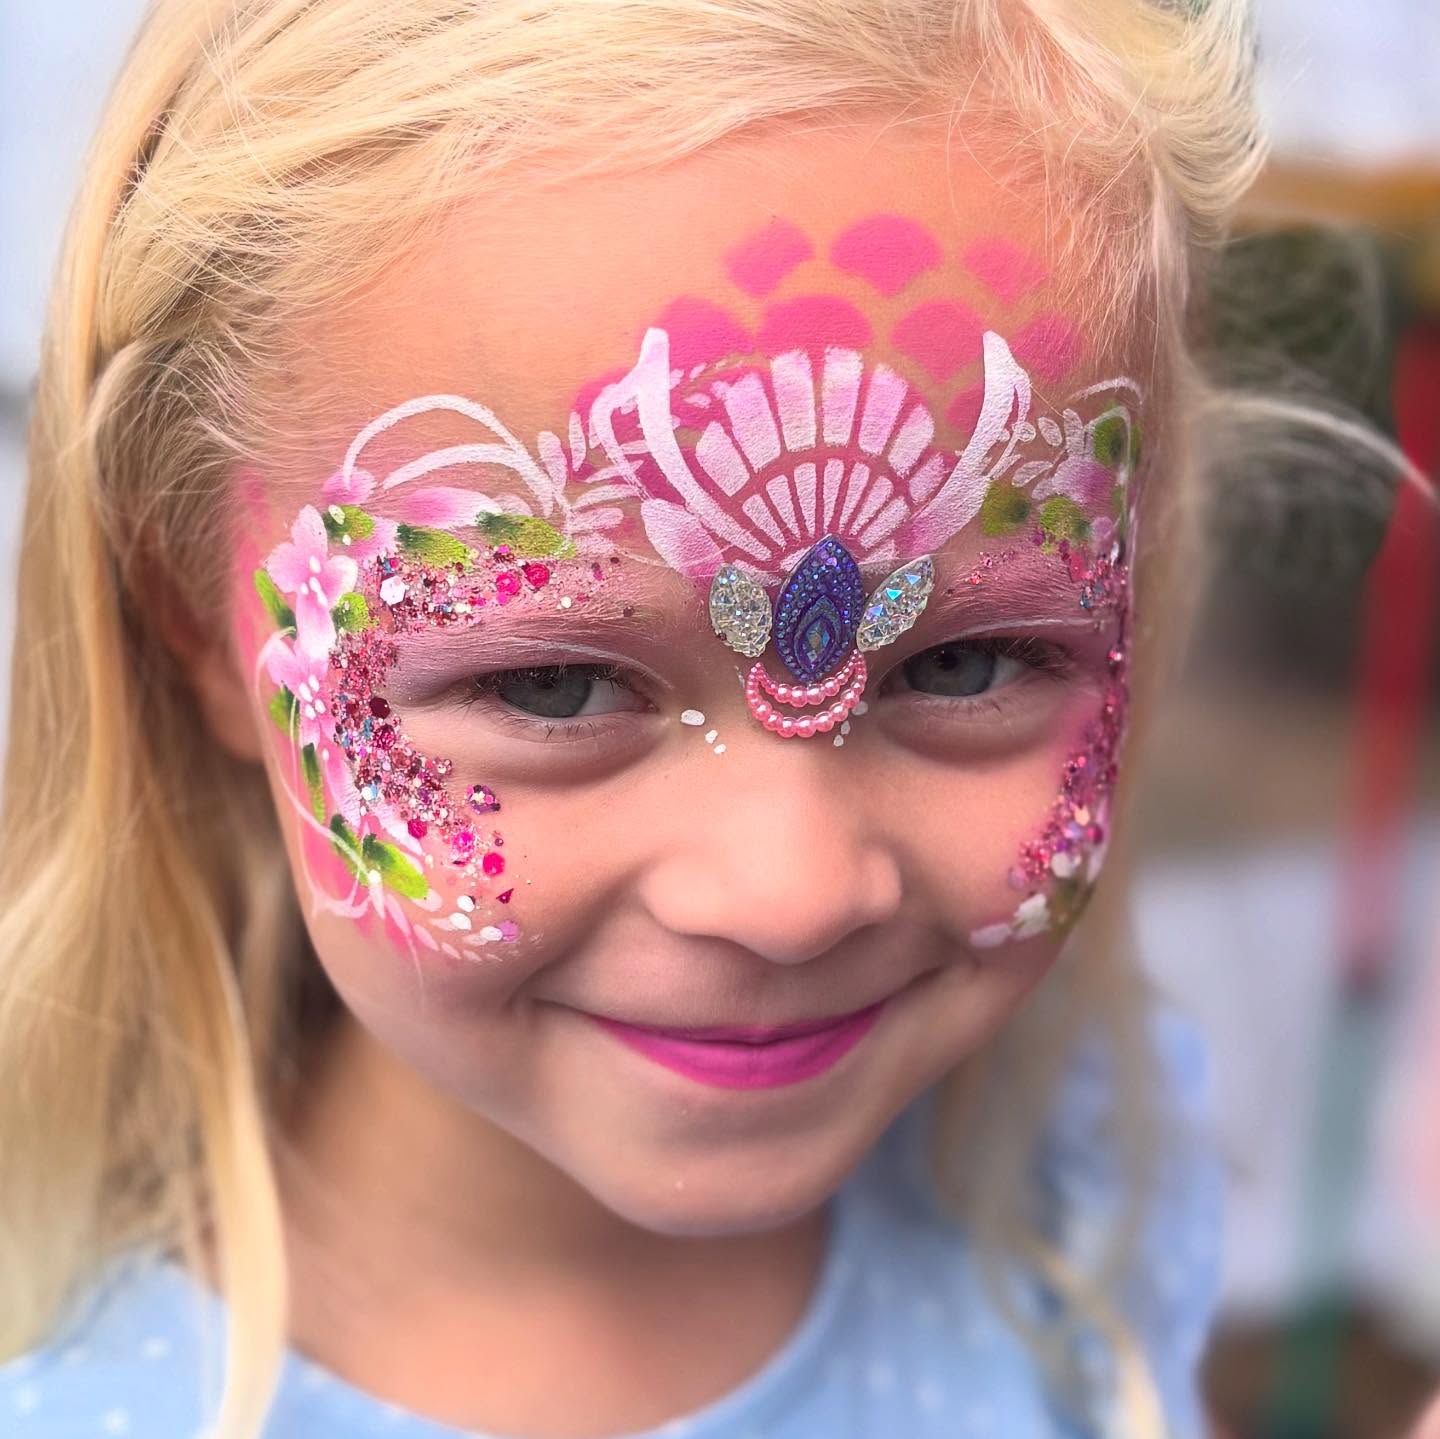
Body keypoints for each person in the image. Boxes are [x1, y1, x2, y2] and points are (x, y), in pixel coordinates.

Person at [0, 1, 1266, 1435]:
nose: (787, 896)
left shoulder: (1074, 1182)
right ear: (202, 634)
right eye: (551, 685)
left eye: (963, 667)